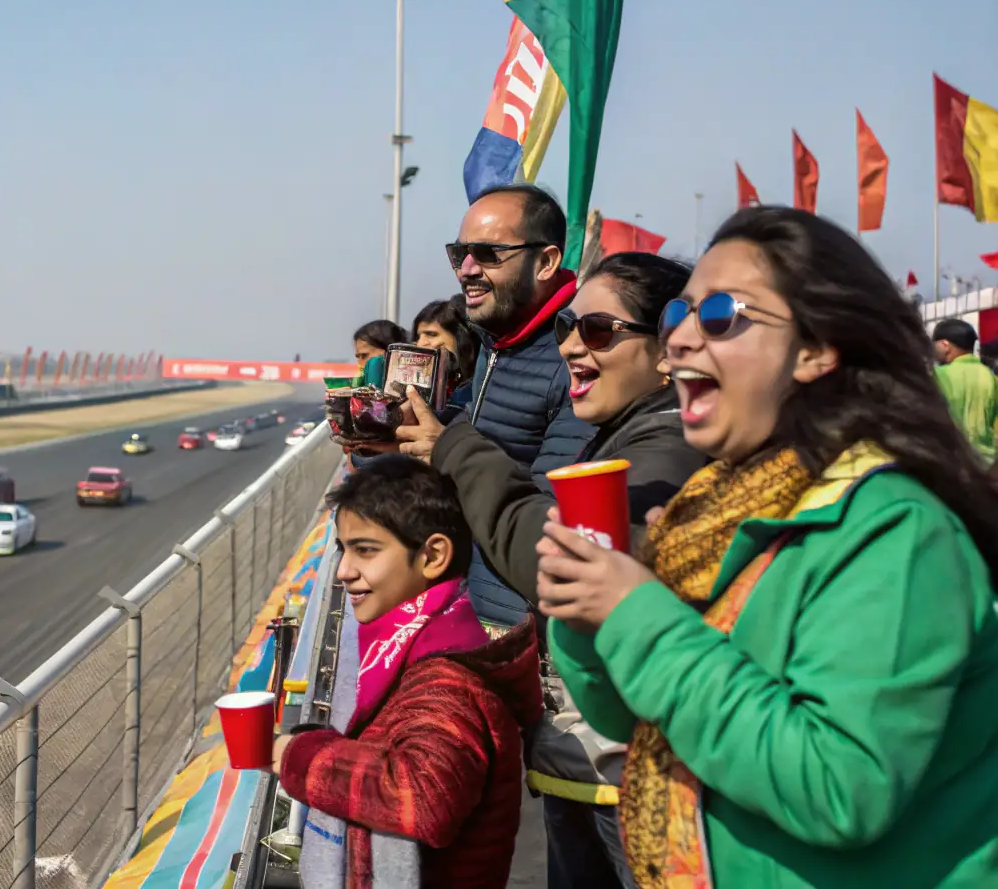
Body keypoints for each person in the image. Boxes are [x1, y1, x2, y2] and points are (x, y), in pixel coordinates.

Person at [538, 208, 998, 888]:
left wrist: (636, 613)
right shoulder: (714, 509)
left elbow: (840, 790)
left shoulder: (894, 528)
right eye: (678, 317)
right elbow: (629, 718)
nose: (682, 341)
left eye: (721, 314)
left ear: (815, 350)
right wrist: (586, 619)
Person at [411, 251, 706, 889]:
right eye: (567, 325)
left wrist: (453, 448)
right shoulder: (626, 430)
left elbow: (558, 561)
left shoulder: (666, 449)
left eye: (599, 331)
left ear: (667, 352)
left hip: (632, 775)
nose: (573, 344)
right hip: (589, 758)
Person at [274, 455, 542, 889]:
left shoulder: (448, 679)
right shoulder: (416, 641)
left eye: (365, 550)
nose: (344, 571)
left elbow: (422, 799)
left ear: (433, 555)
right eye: (343, 549)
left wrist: (299, 757)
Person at [398, 183, 594, 631]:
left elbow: (550, 526)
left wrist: (445, 445)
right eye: (460, 253)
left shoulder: (576, 360)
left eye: (487, 253)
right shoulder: (498, 340)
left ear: (545, 262)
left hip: (524, 635)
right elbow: (483, 444)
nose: (466, 269)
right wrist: (395, 443)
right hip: (474, 607)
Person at [932, 317, 998, 462]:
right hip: (986, 463)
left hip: (951, 462)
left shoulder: (938, 375)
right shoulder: (990, 376)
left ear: (945, 345)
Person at [411, 295, 479, 421]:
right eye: (418, 337)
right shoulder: (416, 388)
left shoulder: (476, 389)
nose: (420, 344)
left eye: (431, 334)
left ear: (460, 338)